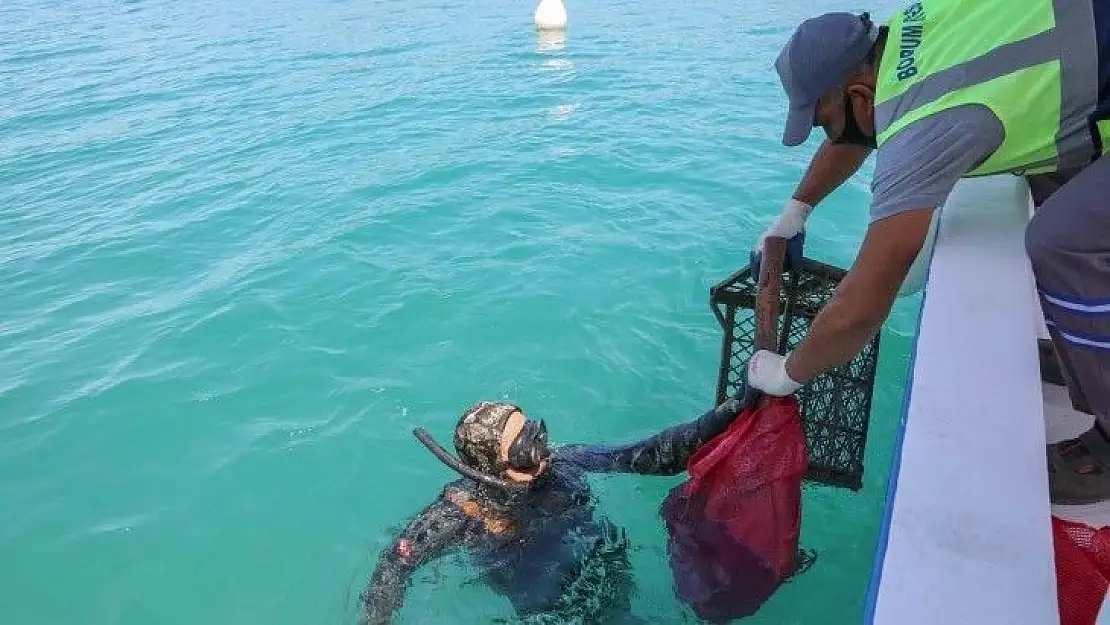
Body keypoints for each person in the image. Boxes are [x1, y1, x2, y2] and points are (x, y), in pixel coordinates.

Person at [746, 3, 1110, 505]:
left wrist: (788, 373)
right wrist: (796, 210)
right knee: (1052, 174)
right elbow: (859, 127)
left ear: (857, 93)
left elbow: (863, 307)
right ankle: (1089, 345)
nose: (826, 136)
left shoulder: (922, 127)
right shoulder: (914, 32)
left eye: (822, 121)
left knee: (1062, 241)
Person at [359, 395, 753, 624]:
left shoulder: (567, 463)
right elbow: (396, 563)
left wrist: (719, 419)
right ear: (490, 465)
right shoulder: (462, 511)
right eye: (523, 445)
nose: (540, 446)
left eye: (534, 430)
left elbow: (645, 456)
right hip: (554, 616)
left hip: (610, 583)